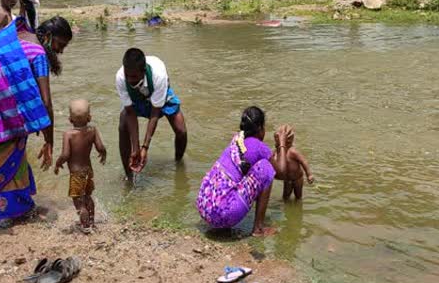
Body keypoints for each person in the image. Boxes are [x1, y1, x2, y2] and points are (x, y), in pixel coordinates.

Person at [0, 16, 73, 225]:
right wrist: (50, 140)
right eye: (60, 45)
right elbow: (46, 102)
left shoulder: (19, 36)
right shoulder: (38, 53)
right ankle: (1, 215)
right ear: (48, 37)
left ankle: (14, 206)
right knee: (7, 146)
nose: (60, 52)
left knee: (6, 144)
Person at [196, 107, 293, 237]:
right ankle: (258, 229)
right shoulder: (259, 147)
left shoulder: (237, 140)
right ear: (260, 128)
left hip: (205, 208)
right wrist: (282, 144)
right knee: (266, 169)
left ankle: (222, 224)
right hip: (224, 215)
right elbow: (281, 172)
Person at [115, 48, 187, 180]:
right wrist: (136, 148)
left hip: (158, 96)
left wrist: (145, 148)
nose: (130, 80)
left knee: (181, 130)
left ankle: (178, 164)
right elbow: (130, 112)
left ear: (143, 72)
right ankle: (128, 175)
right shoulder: (120, 77)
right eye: (128, 75)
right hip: (137, 99)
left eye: (134, 77)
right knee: (122, 125)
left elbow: (155, 112)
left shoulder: (158, 75)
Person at [55, 99, 107, 233]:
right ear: (89, 117)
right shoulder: (93, 131)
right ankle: (92, 221)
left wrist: (58, 163)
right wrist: (103, 154)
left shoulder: (68, 135)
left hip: (76, 174)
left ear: (70, 119)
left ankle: (85, 226)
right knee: (88, 196)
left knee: (78, 201)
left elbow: (66, 155)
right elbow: (100, 147)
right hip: (88, 171)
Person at [270, 129, 314, 200]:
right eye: (275, 139)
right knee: (285, 196)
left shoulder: (292, 151)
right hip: (287, 179)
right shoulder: (277, 151)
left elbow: (303, 161)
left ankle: (298, 204)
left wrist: (309, 174)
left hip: (297, 178)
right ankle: (287, 206)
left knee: (298, 195)